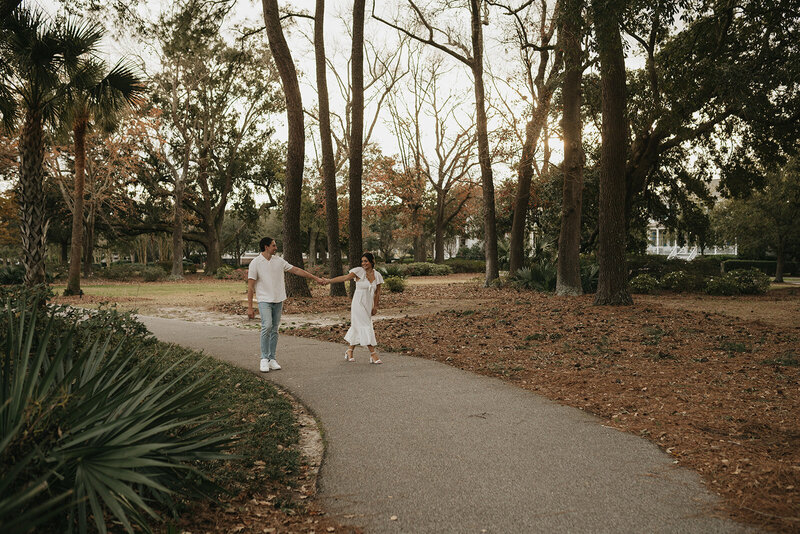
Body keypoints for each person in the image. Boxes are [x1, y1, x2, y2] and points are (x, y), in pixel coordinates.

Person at [248, 237, 324, 372]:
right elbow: (250, 286)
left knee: (275, 329)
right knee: (267, 326)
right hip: (264, 300)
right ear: (266, 247)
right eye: (273, 245)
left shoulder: (279, 261)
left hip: (278, 299)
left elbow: (296, 270)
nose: (276, 248)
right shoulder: (255, 263)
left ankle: (272, 359)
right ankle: (264, 359)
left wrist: (315, 278)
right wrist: (250, 307)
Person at [323, 252, 384, 364]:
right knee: (365, 325)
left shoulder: (378, 275)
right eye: (362, 261)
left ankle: (349, 351)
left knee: (358, 327)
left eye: (366, 261)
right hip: (358, 303)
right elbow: (345, 278)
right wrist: (329, 281)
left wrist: (375, 306)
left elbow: (377, 293)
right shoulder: (358, 271)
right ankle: (373, 354)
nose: (363, 263)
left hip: (368, 304)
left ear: (372, 261)